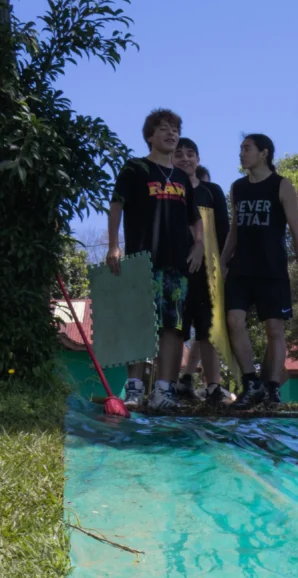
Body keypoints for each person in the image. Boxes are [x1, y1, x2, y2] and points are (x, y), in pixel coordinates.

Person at [106, 109, 204, 411]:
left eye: (175, 129)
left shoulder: (182, 179)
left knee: (173, 328)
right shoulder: (135, 168)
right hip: (141, 260)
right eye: (164, 129)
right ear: (151, 136)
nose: (171, 134)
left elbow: (194, 219)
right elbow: (116, 204)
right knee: (139, 324)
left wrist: (199, 244)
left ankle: (164, 390)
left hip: (176, 264)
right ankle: (134, 389)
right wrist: (113, 245)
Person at [221, 134, 298, 409]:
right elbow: (234, 231)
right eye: (240, 149)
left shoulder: (281, 185)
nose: (241, 154)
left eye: (246, 149)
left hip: (272, 269)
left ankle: (272, 387)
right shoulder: (237, 187)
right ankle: (252, 383)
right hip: (241, 269)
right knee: (234, 321)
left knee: (275, 329)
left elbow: (297, 232)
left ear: (263, 153)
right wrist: (222, 262)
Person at [172, 137, 232, 405]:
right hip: (177, 270)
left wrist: (224, 265)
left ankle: (213, 387)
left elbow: (224, 232)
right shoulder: (168, 190)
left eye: (190, 154)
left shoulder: (212, 191)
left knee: (209, 330)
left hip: (210, 272)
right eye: (179, 154)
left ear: (198, 158)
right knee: (175, 330)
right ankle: (170, 385)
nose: (185, 159)